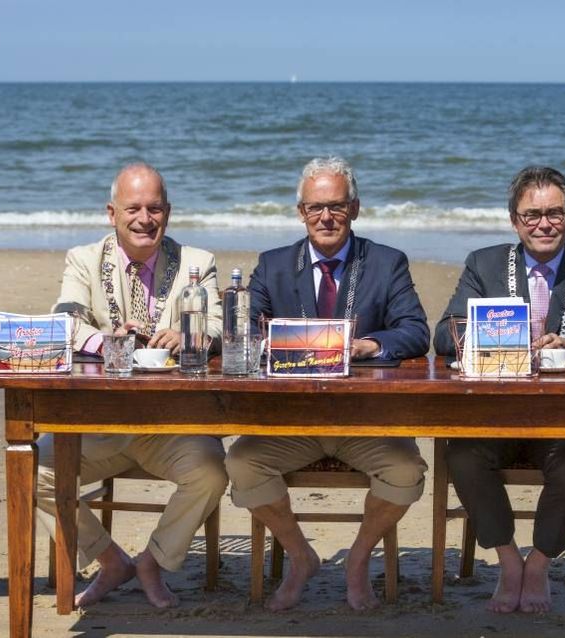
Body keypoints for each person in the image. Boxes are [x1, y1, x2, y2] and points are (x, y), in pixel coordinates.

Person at [432, 166, 565, 613]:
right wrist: (504, 337)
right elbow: (442, 336)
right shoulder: (484, 263)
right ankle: (510, 562)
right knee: (461, 455)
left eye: (554, 213)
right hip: (496, 418)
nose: (543, 224)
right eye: (532, 215)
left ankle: (541, 564)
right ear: (514, 220)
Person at [224, 157, 429, 611]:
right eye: (315, 208)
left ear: (354, 208)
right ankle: (301, 557)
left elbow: (417, 331)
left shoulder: (386, 262)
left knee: (407, 472)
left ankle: (358, 560)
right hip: (292, 425)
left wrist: (370, 345)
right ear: (300, 212)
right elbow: (245, 332)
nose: (326, 217)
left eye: (336, 206)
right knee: (240, 463)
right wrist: (269, 342)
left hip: (366, 424)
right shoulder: (274, 265)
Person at [36, 162, 227, 608]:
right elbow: (63, 320)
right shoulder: (83, 259)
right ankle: (111, 560)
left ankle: (152, 562)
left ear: (169, 212)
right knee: (31, 468)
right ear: (112, 213)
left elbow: (218, 325)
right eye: (134, 208)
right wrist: (104, 342)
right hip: (99, 426)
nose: (145, 218)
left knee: (213, 471)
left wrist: (191, 334)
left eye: (155, 208)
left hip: (172, 428)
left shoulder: (198, 263)